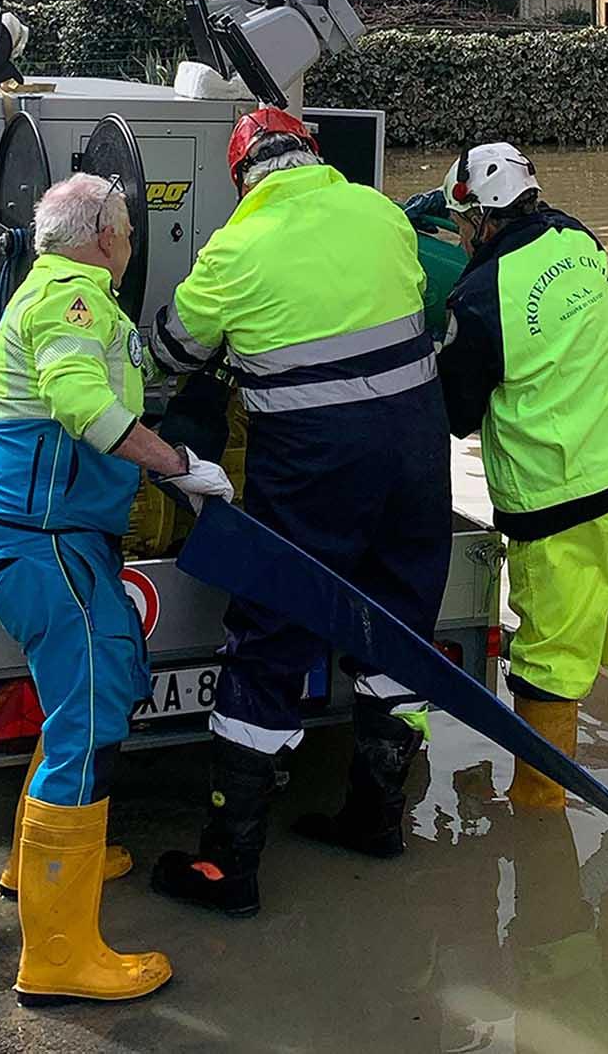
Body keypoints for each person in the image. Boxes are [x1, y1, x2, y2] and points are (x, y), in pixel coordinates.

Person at [145, 107, 451, 917]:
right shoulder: (382, 213)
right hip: (419, 454)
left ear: (241, 177)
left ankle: (231, 867)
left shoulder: (236, 249)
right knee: (401, 624)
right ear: (312, 153)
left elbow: (171, 349)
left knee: (272, 640)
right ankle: (376, 817)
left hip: (317, 464)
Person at [0, 172, 234, 1005]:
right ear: (103, 237)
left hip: (62, 539)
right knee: (87, 714)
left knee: (101, 683)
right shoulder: (74, 300)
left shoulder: (63, 294)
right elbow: (83, 405)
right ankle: (58, 956)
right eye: (126, 228)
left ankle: (38, 862)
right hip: (45, 541)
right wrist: (180, 466)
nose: (129, 243)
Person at [432, 142, 608, 809]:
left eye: (461, 227)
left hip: (558, 506)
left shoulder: (478, 299)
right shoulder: (576, 236)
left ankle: (539, 821)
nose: (458, 240)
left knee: (548, 663)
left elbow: (456, 413)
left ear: (481, 220)